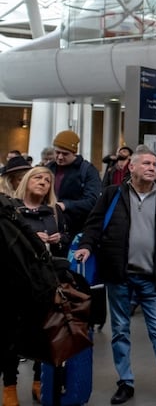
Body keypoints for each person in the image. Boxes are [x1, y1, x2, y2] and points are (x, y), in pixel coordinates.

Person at [73, 146, 156, 406]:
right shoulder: (112, 195)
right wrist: (85, 245)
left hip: (152, 278)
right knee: (120, 332)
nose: (152, 168)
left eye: (155, 164)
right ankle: (125, 382)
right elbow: (94, 225)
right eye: (147, 163)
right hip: (120, 276)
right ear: (132, 167)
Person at [2, 167, 67, 404]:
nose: (43, 182)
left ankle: (40, 382)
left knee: (45, 333)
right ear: (27, 181)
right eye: (38, 178)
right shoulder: (10, 209)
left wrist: (60, 240)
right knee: (10, 337)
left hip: (45, 282)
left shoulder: (54, 212)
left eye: (48, 180)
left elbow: (66, 242)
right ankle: (9, 387)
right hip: (14, 282)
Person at [48, 130, 102, 233]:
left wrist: (65, 205)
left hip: (76, 228)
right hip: (51, 225)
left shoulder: (87, 170)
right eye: (57, 152)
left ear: (74, 153)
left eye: (65, 154)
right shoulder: (49, 168)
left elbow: (92, 201)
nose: (60, 157)